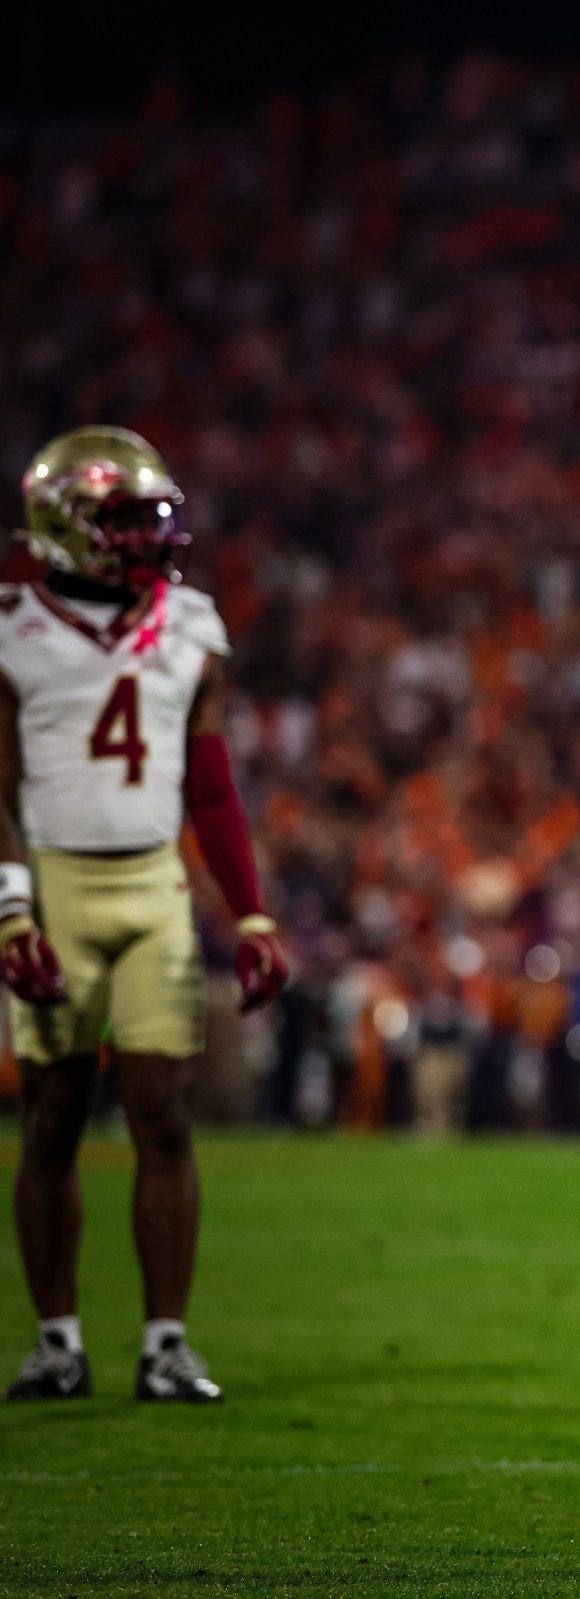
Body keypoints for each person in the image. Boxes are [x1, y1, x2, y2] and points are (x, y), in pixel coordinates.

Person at [4, 426, 290, 1404]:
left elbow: (211, 792)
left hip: (154, 887)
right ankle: (56, 1340)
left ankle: (166, 1342)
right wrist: (11, 916)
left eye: (154, 517)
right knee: (50, 1119)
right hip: (56, 887)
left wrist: (251, 916)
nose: (148, 537)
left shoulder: (190, 626)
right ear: (66, 527)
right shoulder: (14, 626)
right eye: (125, 520)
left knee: (165, 1117)